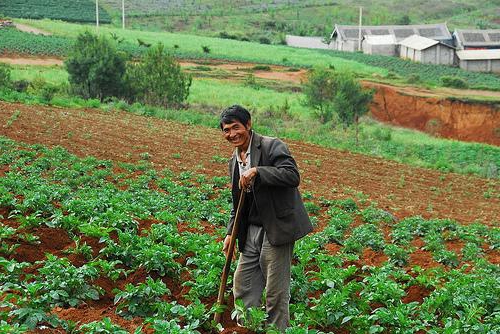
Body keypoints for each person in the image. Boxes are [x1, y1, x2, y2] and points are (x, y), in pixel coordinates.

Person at [220, 105, 313, 331]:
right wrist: (230, 233)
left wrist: (258, 171)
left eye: (236, 127)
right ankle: (247, 328)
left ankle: (276, 330)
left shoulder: (271, 146)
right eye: (226, 130)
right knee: (243, 284)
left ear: (248, 125)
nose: (232, 134)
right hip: (250, 230)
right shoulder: (235, 160)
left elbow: (292, 175)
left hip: (276, 228)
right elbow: (237, 202)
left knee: (275, 292)